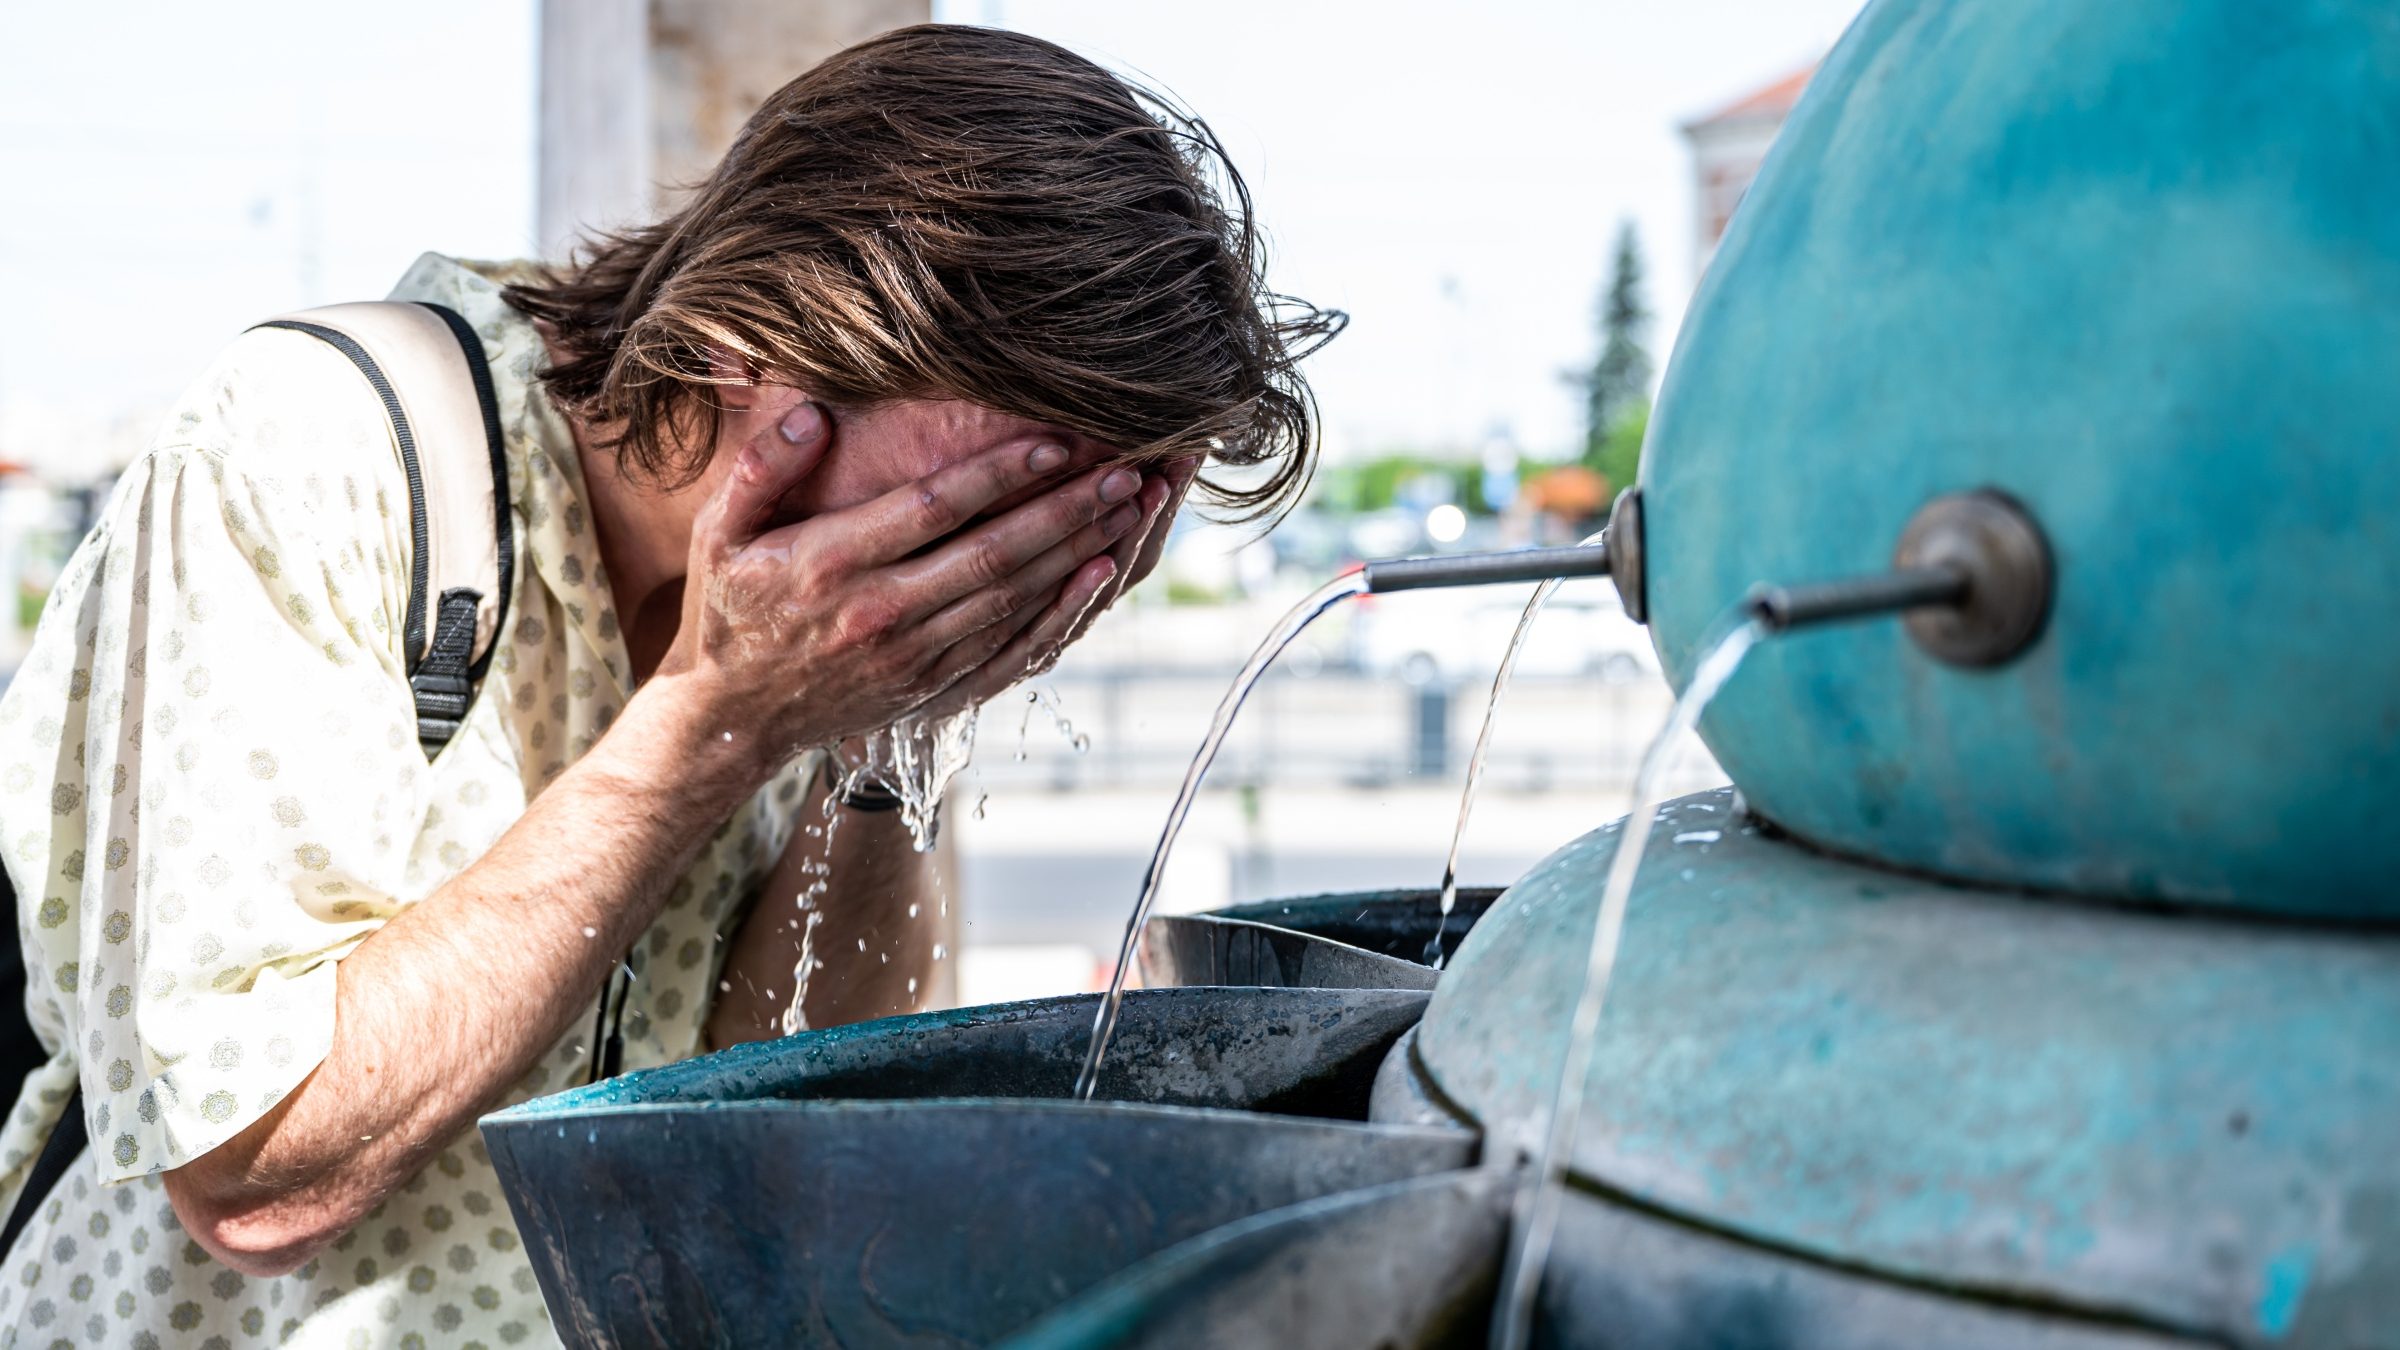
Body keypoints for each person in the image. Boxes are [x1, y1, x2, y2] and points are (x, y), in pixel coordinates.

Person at [0, 24, 1332, 1345]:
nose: (998, 572)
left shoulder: (823, 619)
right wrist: (719, 718)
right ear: (764, 348)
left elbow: (786, 1123)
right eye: (978, 514)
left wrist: (889, 720)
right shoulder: (310, 450)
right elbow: (251, 1167)